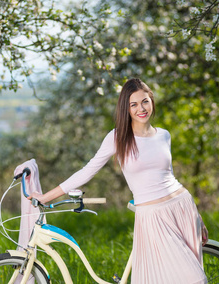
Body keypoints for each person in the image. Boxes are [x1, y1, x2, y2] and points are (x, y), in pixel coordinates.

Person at [28, 78, 208, 284]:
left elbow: (169, 176)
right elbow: (87, 171)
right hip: (152, 217)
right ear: (126, 108)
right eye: (134, 104)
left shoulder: (164, 135)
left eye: (145, 101)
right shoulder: (118, 138)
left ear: (152, 102)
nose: (141, 108)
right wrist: (46, 197)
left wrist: (197, 215)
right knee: (194, 279)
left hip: (183, 207)